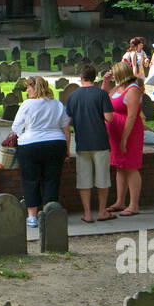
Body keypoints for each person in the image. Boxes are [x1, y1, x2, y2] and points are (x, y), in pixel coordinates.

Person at [11, 75, 72, 227]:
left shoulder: (27, 105)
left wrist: (22, 133)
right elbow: (66, 129)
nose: (27, 90)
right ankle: (48, 213)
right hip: (55, 144)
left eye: (28, 87)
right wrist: (67, 150)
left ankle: (32, 217)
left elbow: (15, 128)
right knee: (51, 180)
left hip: (30, 145)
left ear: (35, 88)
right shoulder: (57, 104)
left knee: (31, 179)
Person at [65, 64, 117, 222]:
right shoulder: (101, 94)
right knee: (102, 179)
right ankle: (102, 211)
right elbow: (109, 118)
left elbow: (68, 121)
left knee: (84, 180)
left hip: (83, 142)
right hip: (100, 141)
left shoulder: (73, 96)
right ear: (94, 77)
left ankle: (87, 213)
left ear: (81, 77)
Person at [107, 63, 144, 216]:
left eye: (115, 73)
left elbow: (132, 116)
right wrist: (105, 83)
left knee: (130, 166)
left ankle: (133, 204)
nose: (113, 76)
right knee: (120, 166)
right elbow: (104, 98)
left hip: (129, 133)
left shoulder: (133, 90)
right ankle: (120, 201)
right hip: (115, 133)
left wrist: (124, 139)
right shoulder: (117, 88)